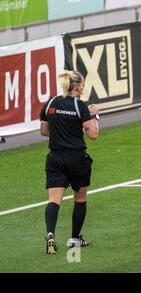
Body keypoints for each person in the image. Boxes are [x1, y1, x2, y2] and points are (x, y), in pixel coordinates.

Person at [40, 70, 100, 254]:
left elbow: (44, 131)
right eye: (82, 84)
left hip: (55, 158)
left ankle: (50, 234)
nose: (83, 87)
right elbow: (93, 134)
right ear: (78, 86)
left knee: (54, 200)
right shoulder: (79, 105)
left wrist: (62, 130)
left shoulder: (50, 102)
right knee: (80, 199)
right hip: (77, 159)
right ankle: (74, 239)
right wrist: (95, 116)